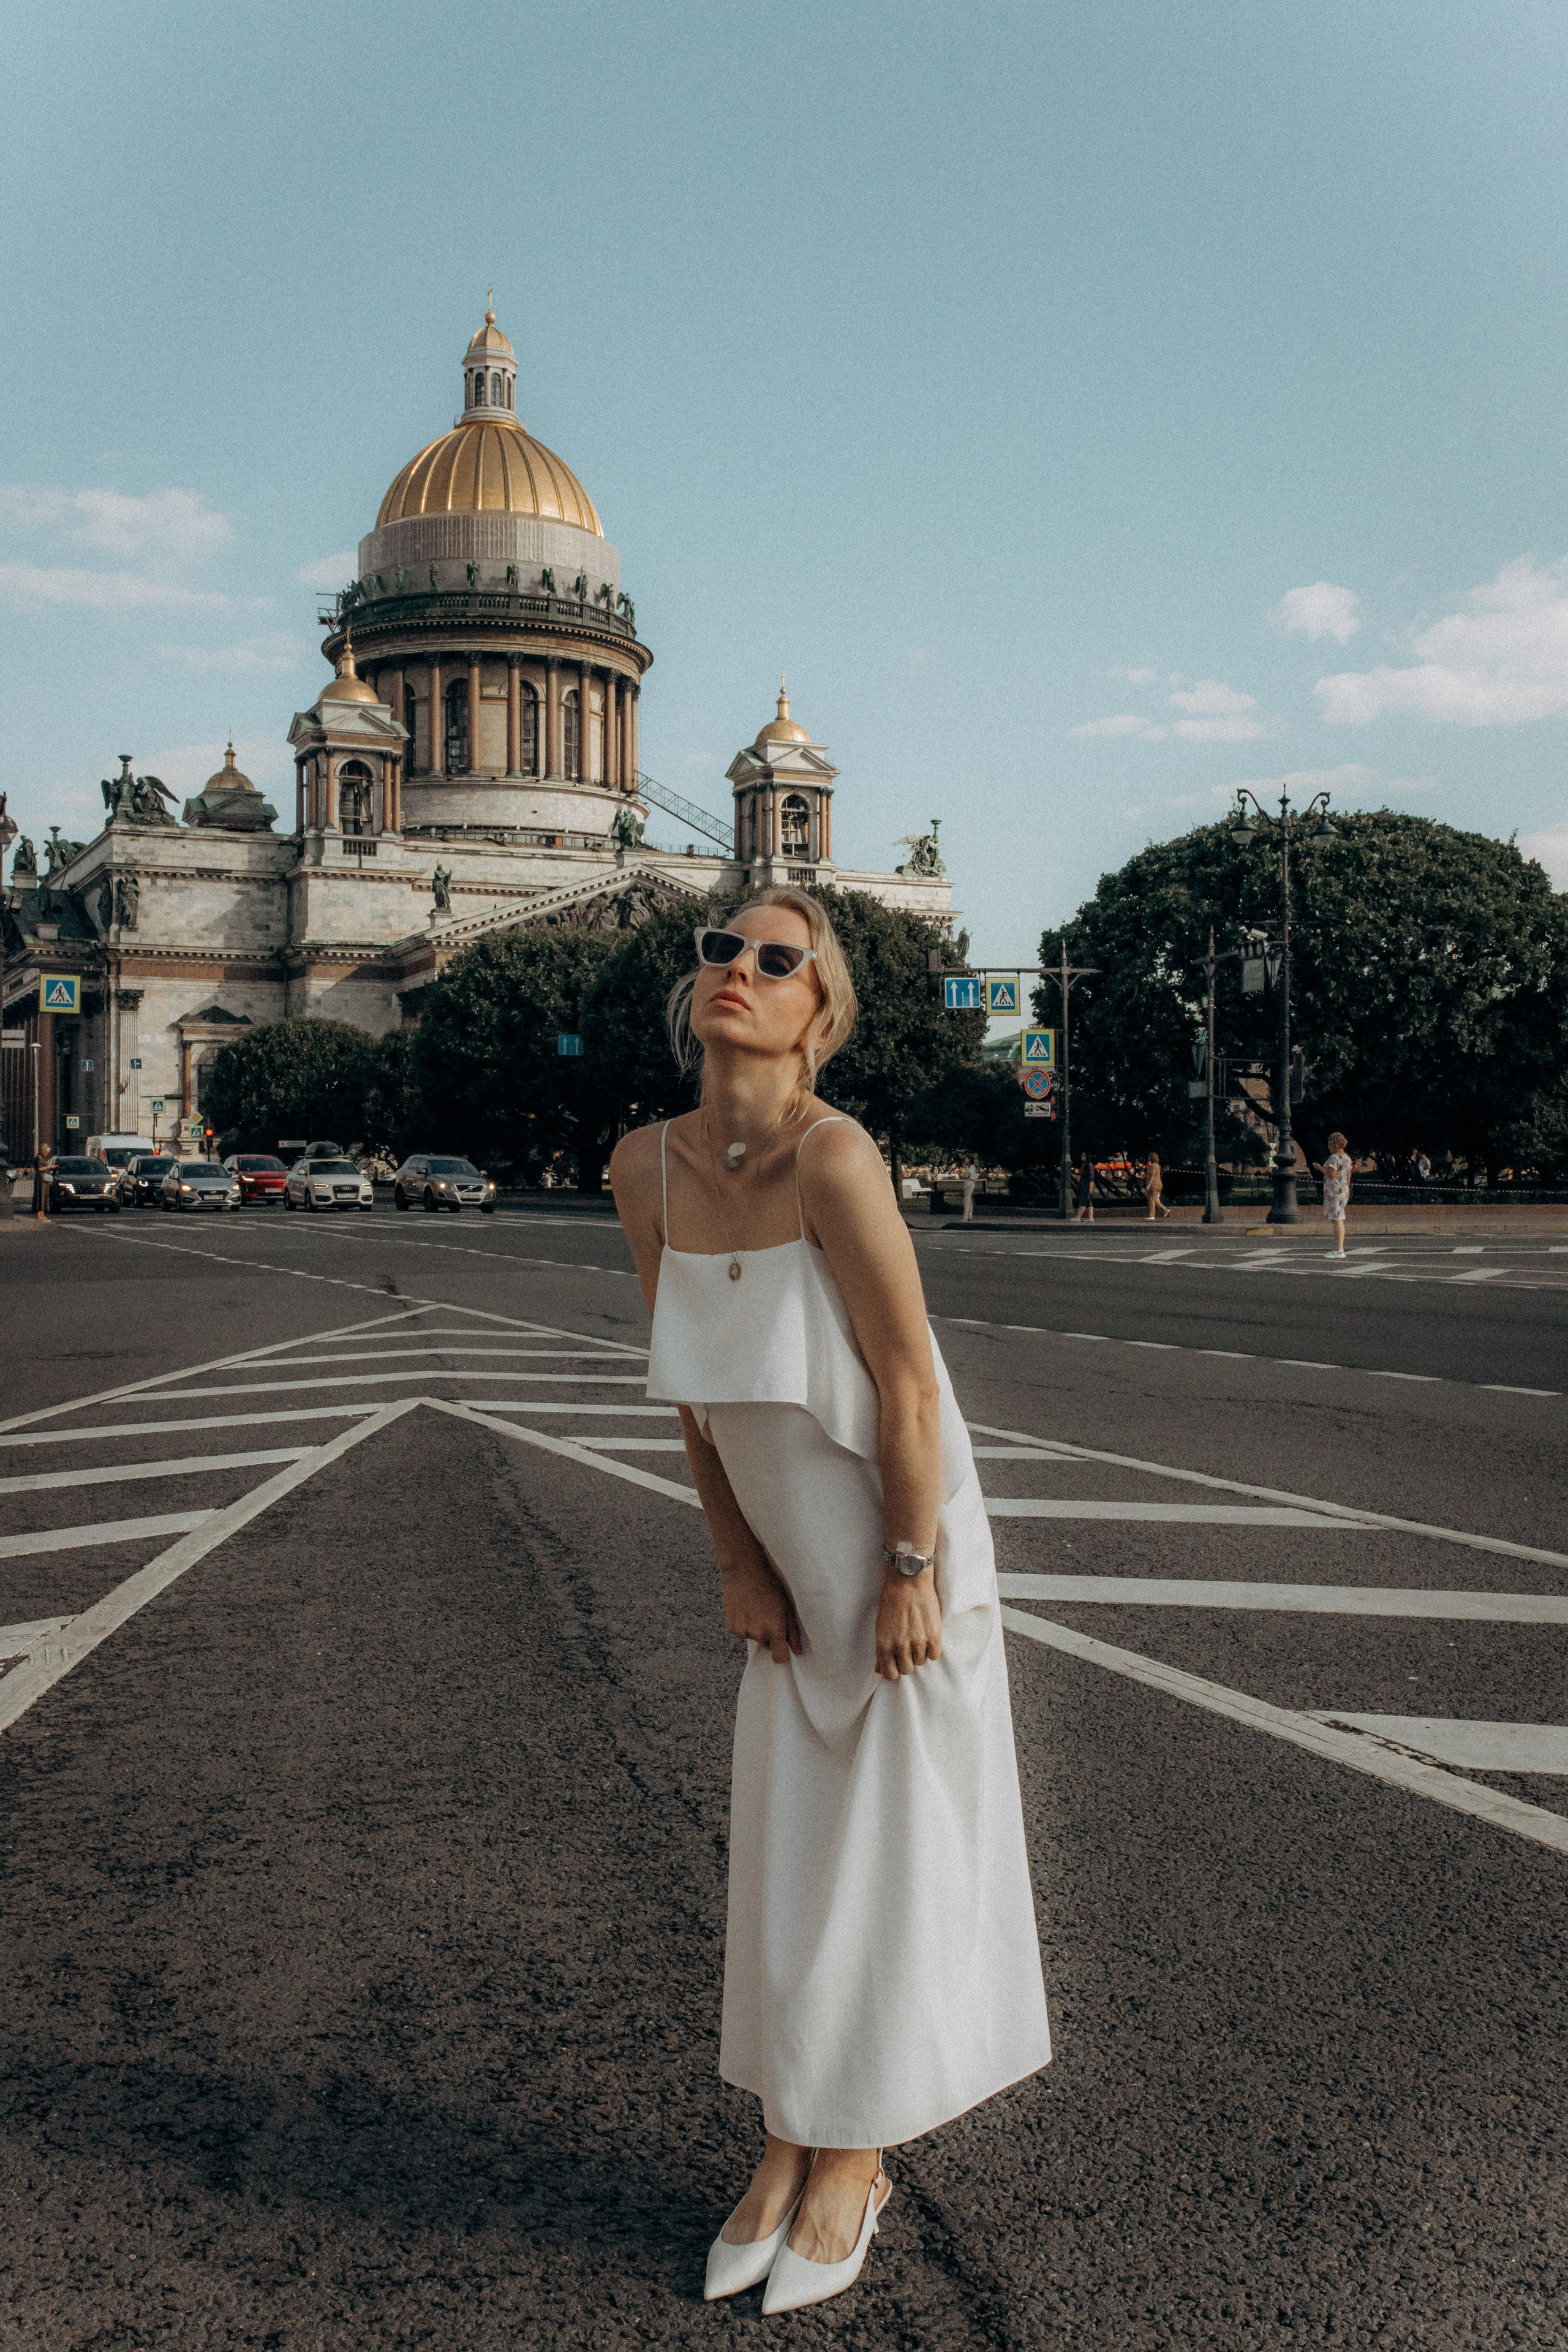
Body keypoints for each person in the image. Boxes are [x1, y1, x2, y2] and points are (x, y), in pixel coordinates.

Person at [610, 890, 1050, 2316]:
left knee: (887, 1857)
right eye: (720, 949)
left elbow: (910, 1380)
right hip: (786, 1564)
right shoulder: (645, 1167)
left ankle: (850, 2151)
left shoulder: (834, 1155)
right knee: (794, 1861)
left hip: (897, 1543)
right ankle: (784, 2137)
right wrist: (734, 1558)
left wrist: (913, 1569)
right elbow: (691, 1387)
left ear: (820, 1011)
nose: (736, 967)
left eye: (775, 958)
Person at [1316, 1129, 1352, 1257]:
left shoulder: (1334, 1158)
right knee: (1339, 1219)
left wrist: (1320, 1168)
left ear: (1334, 1144)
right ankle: (1339, 1249)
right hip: (1343, 1190)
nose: (1328, 1146)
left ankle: (1339, 1250)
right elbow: (1348, 1177)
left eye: (1330, 1143)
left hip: (1334, 1191)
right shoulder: (1347, 1158)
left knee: (1337, 1220)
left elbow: (1331, 1174)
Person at [1143, 1152, 1170, 1221]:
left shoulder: (1153, 1166)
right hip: (1159, 1184)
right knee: (1155, 1200)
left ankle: (1152, 1216)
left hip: (1154, 1185)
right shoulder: (1158, 1165)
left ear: (1152, 1158)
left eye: (1150, 1157)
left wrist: (1148, 1185)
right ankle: (1165, 1210)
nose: (1149, 1158)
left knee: (1151, 1200)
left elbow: (1153, 1175)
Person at [32, 1140, 54, 1221]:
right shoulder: (39, 1158)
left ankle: (42, 1214)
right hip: (40, 1179)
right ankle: (39, 1214)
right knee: (40, 1196)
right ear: (42, 1151)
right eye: (46, 1152)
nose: (47, 1154)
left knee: (44, 1196)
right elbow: (39, 1169)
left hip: (44, 1180)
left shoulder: (41, 1158)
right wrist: (50, 1167)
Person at [1071, 1148, 1095, 1223]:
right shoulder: (1084, 1165)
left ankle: (1078, 1217)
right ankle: (1091, 1218)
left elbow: (1091, 1177)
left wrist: (1091, 1187)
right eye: (1082, 1155)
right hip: (1084, 1185)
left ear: (1087, 1156)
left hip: (1087, 1186)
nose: (1082, 1156)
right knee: (1089, 1202)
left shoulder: (1089, 1165)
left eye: (1084, 1155)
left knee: (1083, 1201)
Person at [960, 1159, 978, 1223]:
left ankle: (965, 1217)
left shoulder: (972, 1167)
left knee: (967, 1200)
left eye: (966, 1159)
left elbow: (966, 1175)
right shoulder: (968, 1167)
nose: (965, 1160)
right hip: (967, 1184)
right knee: (969, 1200)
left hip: (970, 1185)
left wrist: (965, 1174)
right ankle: (970, 1216)